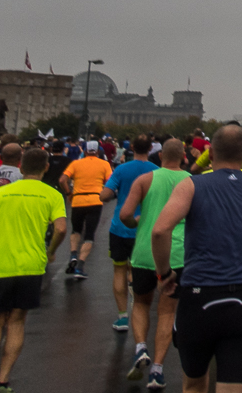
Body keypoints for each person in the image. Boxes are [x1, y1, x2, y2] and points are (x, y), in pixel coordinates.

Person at [151, 125, 242, 393]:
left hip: (198, 298)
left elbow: (160, 230)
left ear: (211, 151)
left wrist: (165, 274)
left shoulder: (191, 185)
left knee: (193, 384)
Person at [0, 148, 66, 393]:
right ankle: (3, 380)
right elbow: (62, 228)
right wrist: (51, 250)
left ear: (21, 168)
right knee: (16, 322)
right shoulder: (52, 195)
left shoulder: (0, 194)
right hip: (31, 266)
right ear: (46, 168)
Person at [115, 139, 190, 390]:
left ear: (160, 157)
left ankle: (140, 347)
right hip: (176, 254)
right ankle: (157, 370)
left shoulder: (145, 180)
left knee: (141, 303)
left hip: (145, 252)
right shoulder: (192, 182)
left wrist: (139, 224)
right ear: (183, 157)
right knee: (167, 312)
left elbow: (125, 214)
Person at [99, 135, 157, 333]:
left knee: (119, 271)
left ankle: (123, 316)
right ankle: (141, 311)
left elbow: (105, 196)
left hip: (120, 228)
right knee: (144, 271)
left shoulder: (121, 169)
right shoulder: (156, 171)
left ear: (131, 147)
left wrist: (117, 193)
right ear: (150, 148)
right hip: (145, 229)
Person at [59, 140, 112, 280]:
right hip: (95, 201)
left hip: (77, 201)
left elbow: (62, 180)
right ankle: (80, 266)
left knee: (76, 230)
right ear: (98, 151)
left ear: (85, 150)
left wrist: (69, 193)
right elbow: (110, 182)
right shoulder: (104, 164)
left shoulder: (76, 163)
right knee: (89, 235)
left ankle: (73, 254)